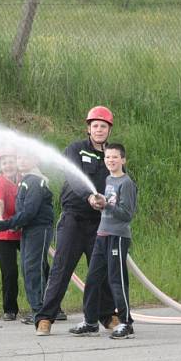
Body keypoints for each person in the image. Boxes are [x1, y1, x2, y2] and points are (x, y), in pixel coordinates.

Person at [34, 106, 118, 333]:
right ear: (88, 128)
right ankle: (45, 318)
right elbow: (73, 177)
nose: (99, 130)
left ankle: (107, 316)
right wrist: (89, 196)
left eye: (103, 126)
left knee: (100, 271)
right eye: (95, 126)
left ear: (109, 130)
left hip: (100, 222)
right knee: (61, 268)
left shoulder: (113, 155)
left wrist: (110, 203)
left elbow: (119, 182)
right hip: (74, 220)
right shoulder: (76, 149)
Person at [64, 143, 138, 339]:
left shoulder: (126, 183)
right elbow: (108, 206)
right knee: (92, 280)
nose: (110, 161)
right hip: (102, 235)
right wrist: (100, 205)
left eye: (115, 157)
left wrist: (107, 206)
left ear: (123, 160)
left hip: (117, 237)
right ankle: (90, 322)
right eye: (107, 157)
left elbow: (127, 214)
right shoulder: (108, 179)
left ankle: (126, 323)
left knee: (117, 281)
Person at [0, 152, 54, 324]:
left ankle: (43, 311)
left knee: (34, 269)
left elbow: (29, 212)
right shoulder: (26, 180)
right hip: (28, 230)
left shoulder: (35, 181)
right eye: (19, 157)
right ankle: (40, 309)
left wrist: (7, 223)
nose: (20, 161)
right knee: (28, 269)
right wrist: (12, 223)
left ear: (35, 160)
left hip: (38, 229)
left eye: (25, 157)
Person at [0, 147, 21, 321]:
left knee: (40, 266)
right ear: (0, 166)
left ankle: (49, 306)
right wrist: (1, 221)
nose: (8, 165)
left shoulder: (24, 179)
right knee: (10, 272)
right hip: (3, 234)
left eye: (11, 161)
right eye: (4, 163)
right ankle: (10, 309)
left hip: (23, 231)